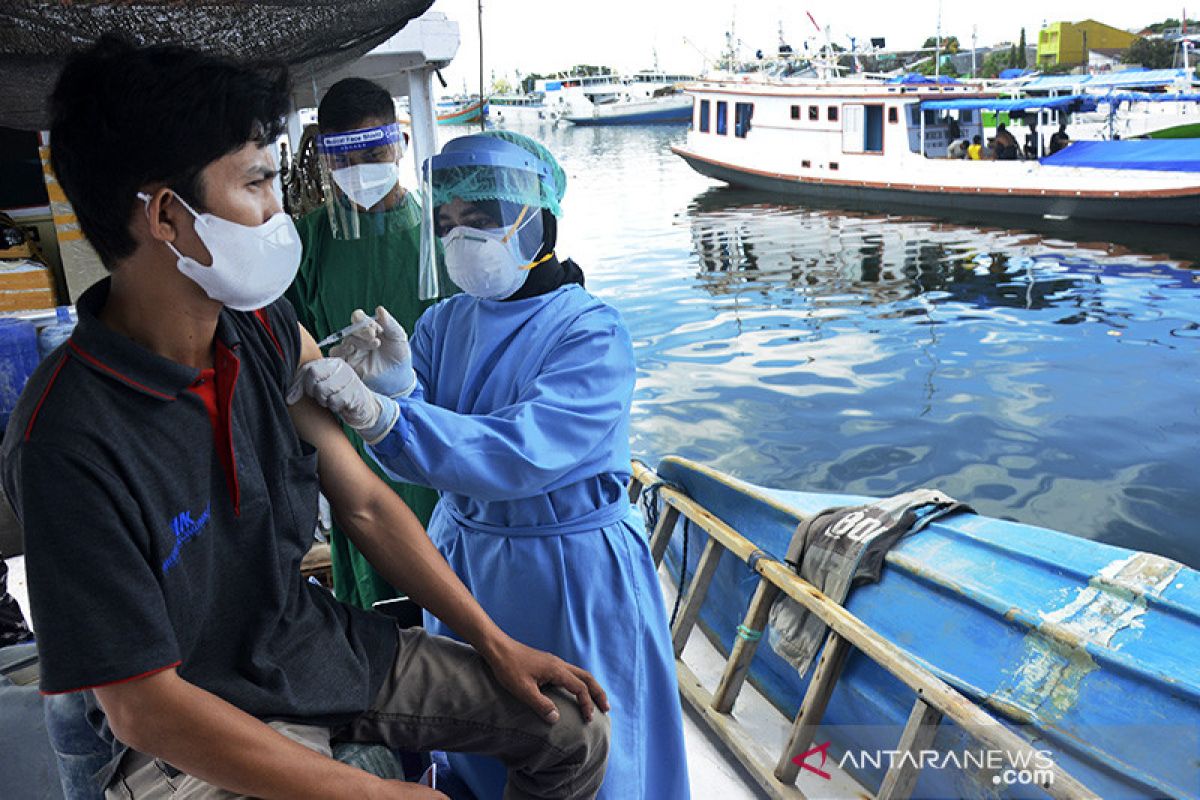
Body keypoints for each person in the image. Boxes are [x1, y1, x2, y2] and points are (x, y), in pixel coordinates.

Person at [2, 36, 610, 800]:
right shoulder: (66, 437)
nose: (277, 211)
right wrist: (382, 794)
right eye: (257, 183)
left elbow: (361, 501)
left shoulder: (261, 328)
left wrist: (492, 641)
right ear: (165, 214)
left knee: (569, 728)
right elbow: (142, 707)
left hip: (301, 645)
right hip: (183, 721)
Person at [292, 131, 690, 799]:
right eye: (446, 223)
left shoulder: (591, 331)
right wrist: (400, 391)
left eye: (480, 220)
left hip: (569, 568)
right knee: (478, 736)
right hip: (469, 563)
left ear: (536, 220)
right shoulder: (444, 323)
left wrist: (387, 416)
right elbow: (437, 458)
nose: (459, 238)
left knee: (587, 732)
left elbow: (521, 454)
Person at [285, 77, 443, 611]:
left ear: (399, 143)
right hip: (353, 449)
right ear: (325, 160)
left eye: (375, 152)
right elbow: (292, 352)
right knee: (380, 595)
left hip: (442, 440)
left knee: (451, 570)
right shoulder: (306, 244)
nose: (363, 172)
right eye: (345, 160)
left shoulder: (443, 235)